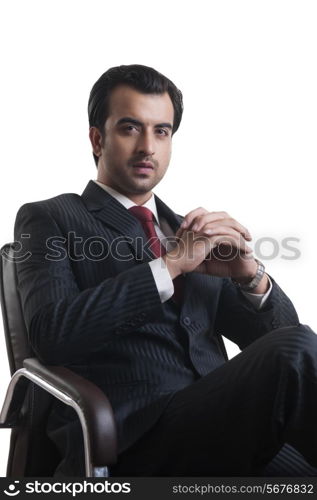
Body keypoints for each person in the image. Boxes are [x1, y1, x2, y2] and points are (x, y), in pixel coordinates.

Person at [14, 64, 317, 477]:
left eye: (162, 131)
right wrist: (170, 265)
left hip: (224, 424)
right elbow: (51, 335)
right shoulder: (51, 218)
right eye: (129, 128)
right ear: (97, 139)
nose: (147, 148)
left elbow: (277, 344)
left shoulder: (188, 230)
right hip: (136, 437)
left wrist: (251, 276)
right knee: (298, 348)